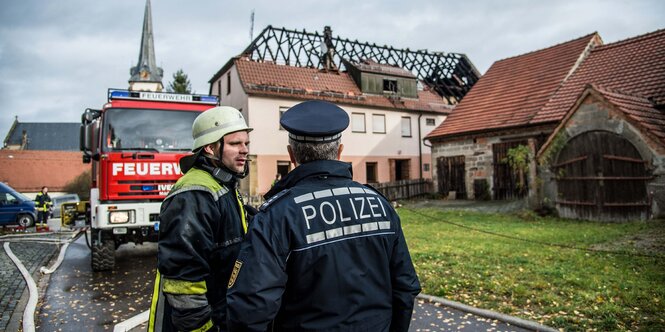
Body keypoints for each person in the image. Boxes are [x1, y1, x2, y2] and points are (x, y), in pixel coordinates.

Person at [226, 100, 421, 331]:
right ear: (339, 151)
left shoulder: (277, 215)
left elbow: (251, 308)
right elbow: (405, 286)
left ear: (291, 155)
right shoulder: (378, 203)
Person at [149, 106, 252, 332]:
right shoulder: (194, 194)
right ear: (209, 147)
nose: (244, 150)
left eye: (246, 143)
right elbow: (184, 284)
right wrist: (202, 328)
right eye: (235, 144)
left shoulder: (223, 184)